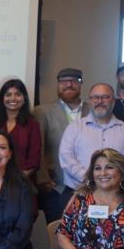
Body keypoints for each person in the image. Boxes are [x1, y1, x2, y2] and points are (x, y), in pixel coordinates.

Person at [59, 83, 124, 206]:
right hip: (79, 194)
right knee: (78, 226)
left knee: (115, 226)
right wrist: (90, 180)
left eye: (105, 97)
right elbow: (66, 158)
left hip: (117, 196)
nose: (100, 101)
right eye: (95, 97)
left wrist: (116, 181)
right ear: (89, 101)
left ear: (113, 101)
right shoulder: (74, 128)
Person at [34, 68, 91, 223]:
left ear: (81, 84)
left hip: (88, 185)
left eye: (74, 81)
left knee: (87, 233)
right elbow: (37, 147)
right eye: (63, 81)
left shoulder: (92, 110)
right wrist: (43, 179)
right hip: (56, 186)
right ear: (58, 85)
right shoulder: (42, 111)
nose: (69, 84)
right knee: (58, 233)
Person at [0, 79, 41, 179]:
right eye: (8, 95)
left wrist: (16, 180)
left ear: (24, 99)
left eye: (18, 94)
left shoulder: (32, 125)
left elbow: (34, 160)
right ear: (2, 98)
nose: (13, 98)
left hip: (21, 181)